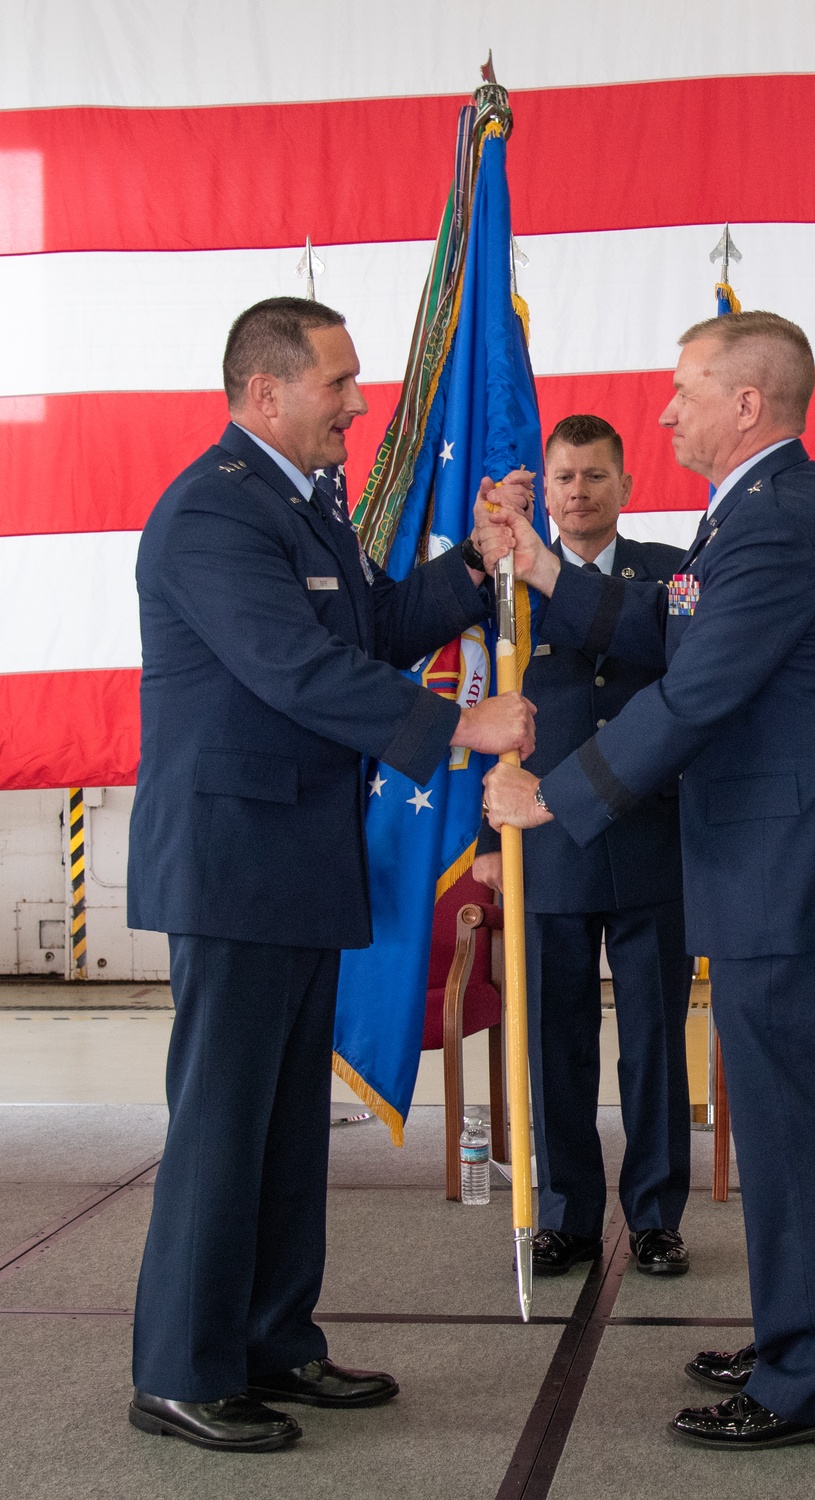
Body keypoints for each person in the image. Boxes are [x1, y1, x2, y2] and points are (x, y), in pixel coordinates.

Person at [478, 312, 815, 1451]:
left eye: (682, 391)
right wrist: (538, 570)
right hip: (776, 867)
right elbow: (664, 637)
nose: (664, 409)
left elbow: (694, 696)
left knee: (793, 1134)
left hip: (794, 873)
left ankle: (809, 1386)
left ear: (747, 405)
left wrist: (554, 796)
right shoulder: (754, 515)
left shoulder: (775, 525)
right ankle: (796, 1341)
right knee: (778, 1129)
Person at [126, 296, 535, 1453]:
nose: (361, 405)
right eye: (339, 384)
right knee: (222, 1123)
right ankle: (180, 1371)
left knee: (283, 1125)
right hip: (233, 867)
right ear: (266, 392)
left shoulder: (306, 510)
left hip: (298, 859)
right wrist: (464, 723)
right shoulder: (212, 513)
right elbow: (296, 669)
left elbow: (368, 630)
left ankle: (272, 1341)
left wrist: (470, 566)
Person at [473, 414, 692, 1279]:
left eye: (596, 476)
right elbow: (478, 711)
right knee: (551, 1039)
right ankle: (564, 1210)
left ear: (626, 487)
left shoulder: (671, 575)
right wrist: (482, 835)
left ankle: (655, 1216)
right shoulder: (504, 585)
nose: (577, 492)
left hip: (648, 836)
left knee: (654, 1043)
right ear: (548, 490)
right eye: (563, 478)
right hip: (544, 843)